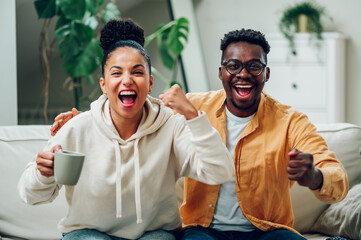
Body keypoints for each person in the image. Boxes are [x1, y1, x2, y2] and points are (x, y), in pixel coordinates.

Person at [50, 28, 349, 239]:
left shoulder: (290, 121)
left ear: (266, 74)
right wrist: (85, 119)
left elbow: (337, 179)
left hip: (268, 230)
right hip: (201, 231)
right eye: (233, 66)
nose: (243, 74)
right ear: (221, 72)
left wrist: (314, 177)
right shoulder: (191, 107)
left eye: (254, 66)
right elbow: (131, 100)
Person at [18, 19, 234, 240]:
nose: (127, 80)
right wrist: (42, 174)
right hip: (88, 233)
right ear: (104, 84)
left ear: (150, 83)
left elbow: (220, 172)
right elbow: (29, 195)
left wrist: (192, 116)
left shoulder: (172, 126)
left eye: (137, 72)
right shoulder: (77, 127)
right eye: (117, 73)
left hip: (154, 233)